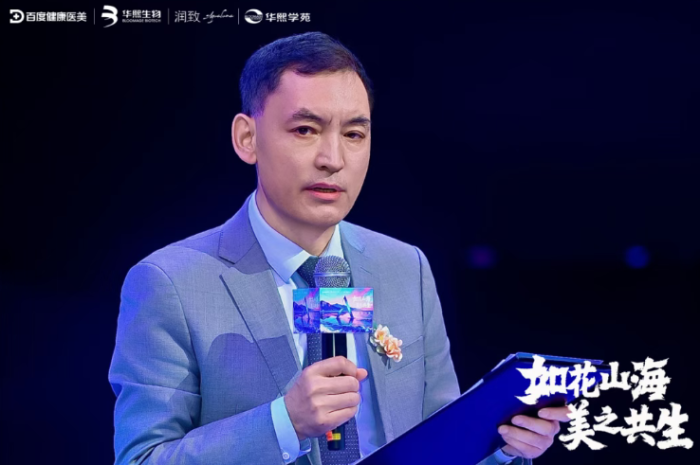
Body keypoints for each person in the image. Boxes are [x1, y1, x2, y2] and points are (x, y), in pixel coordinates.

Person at [108, 31, 570, 465]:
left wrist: (504, 444)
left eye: (353, 134)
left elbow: (441, 441)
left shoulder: (404, 266)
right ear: (247, 138)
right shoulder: (171, 283)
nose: (333, 159)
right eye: (305, 130)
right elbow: (141, 457)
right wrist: (284, 424)